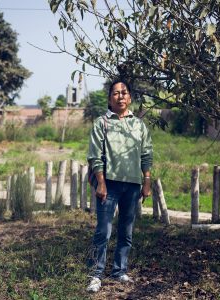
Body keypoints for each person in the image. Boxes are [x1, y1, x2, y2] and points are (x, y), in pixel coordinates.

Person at [86, 80, 153, 293]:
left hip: (132, 185)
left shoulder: (138, 125)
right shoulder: (102, 123)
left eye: (124, 93)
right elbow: (95, 156)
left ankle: (119, 270)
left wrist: (147, 182)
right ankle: (96, 275)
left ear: (130, 98)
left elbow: (146, 154)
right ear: (109, 99)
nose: (120, 96)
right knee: (103, 231)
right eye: (116, 93)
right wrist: (101, 183)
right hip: (109, 185)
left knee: (126, 230)